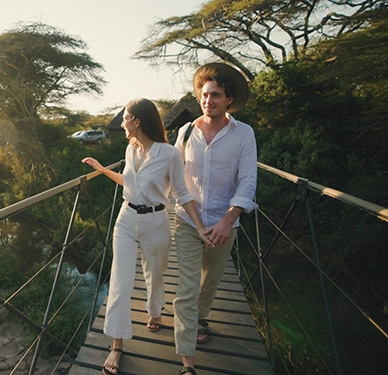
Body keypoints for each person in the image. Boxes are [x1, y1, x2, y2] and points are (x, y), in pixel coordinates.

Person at [82, 98, 210, 375]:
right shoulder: (130, 149)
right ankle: (116, 346)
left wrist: (199, 226)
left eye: (125, 118)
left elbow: (182, 192)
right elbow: (129, 182)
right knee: (119, 282)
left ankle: (154, 311)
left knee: (155, 273)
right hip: (126, 220)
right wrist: (103, 170)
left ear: (137, 121)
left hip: (156, 221)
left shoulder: (168, 153)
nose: (122, 123)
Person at [172, 63, 258, 375]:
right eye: (205, 95)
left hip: (224, 224)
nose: (209, 100)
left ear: (229, 100)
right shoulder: (186, 132)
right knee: (186, 287)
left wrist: (228, 219)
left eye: (216, 95)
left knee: (209, 282)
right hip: (187, 222)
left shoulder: (244, 134)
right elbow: (173, 176)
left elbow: (248, 181)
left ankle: (202, 317)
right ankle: (187, 361)